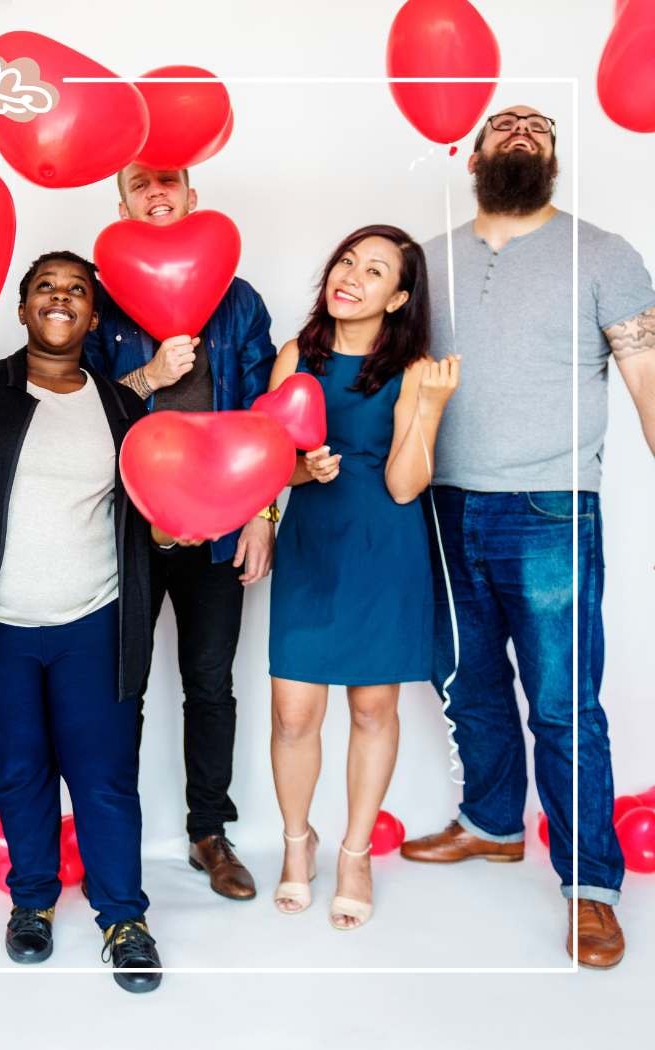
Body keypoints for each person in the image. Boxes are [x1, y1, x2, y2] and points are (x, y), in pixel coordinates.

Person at [401, 105, 655, 969]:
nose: (519, 134)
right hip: (439, 506)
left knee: (561, 704)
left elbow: (646, 373)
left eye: (537, 129)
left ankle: (590, 888)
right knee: (465, 684)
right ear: (471, 155)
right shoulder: (426, 261)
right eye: (502, 126)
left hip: (552, 508)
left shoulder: (605, 253)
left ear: (551, 158)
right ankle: (493, 824)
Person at [0, 250, 163, 993]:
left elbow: (146, 510)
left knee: (104, 775)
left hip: (96, 618)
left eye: (76, 290)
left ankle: (124, 917)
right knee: (20, 767)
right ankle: (33, 903)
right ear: (22, 309)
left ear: (93, 314)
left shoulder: (120, 405)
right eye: (45, 287)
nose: (60, 298)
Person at [81, 162, 277, 900]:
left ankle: (208, 834)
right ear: (122, 202)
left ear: (194, 198)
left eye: (170, 181)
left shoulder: (239, 299)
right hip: (129, 529)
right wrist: (151, 375)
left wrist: (263, 515)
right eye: (141, 184)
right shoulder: (101, 302)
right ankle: (114, 834)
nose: (157, 193)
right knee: (117, 686)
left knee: (210, 685)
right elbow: (83, 412)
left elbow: (265, 415)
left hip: (221, 528)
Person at [267, 224, 458, 930]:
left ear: (399, 296)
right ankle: (297, 843)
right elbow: (267, 464)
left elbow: (407, 487)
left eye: (374, 270)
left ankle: (353, 852)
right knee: (293, 712)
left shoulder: (411, 371)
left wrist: (430, 410)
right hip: (313, 544)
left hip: (384, 546)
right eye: (347, 260)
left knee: (373, 709)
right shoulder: (296, 356)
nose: (351, 275)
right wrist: (298, 470)